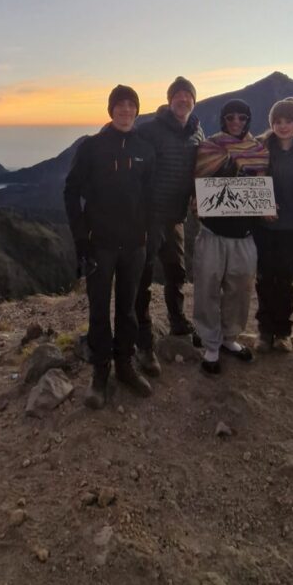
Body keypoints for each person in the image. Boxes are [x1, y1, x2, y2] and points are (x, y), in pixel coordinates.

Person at [64, 85, 156, 409]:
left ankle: (125, 366)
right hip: (99, 244)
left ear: (137, 110)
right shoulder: (92, 147)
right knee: (99, 309)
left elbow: (151, 196)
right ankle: (100, 372)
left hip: (135, 244)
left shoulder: (146, 148)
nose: (125, 110)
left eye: (131, 105)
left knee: (128, 309)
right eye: (120, 105)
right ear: (110, 110)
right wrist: (80, 239)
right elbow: (71, 191)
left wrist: (149, 235)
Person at [192, 99, 269, 374]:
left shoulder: (259, 150)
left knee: (240, 289)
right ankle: (210, 343)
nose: (236, 122)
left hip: (244, 234)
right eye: (230, 117)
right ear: (223, 119)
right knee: (207, 287)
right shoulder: (209, 147)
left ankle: (229, 338)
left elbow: (261, 186)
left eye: (241, 117)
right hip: (213, 231)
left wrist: (267, 205)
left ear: (248, 120)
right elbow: (198, 184)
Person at [134, 77, 204, 376]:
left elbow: (202, 169)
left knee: (176, 271)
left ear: (193, 101)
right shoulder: (149, 128)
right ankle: (143, 335)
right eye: (178, 95)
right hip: (149, 216)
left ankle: (177, 320)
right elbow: (128, 153)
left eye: (187, 95)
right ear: (169, 99)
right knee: (144, 275)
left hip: (176, 217)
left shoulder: (197, 132)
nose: (183, 100)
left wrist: (200, 197)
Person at [254, 97, 293, 353]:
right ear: (271, 123)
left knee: (285, 278)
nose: (283, 126)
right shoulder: (261, 148)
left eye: (288, 121)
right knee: (264, 277)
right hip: (263, 226)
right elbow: (250, 181)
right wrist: (263, 205)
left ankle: (283, 332)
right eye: (278, 121)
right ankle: (265, 331)